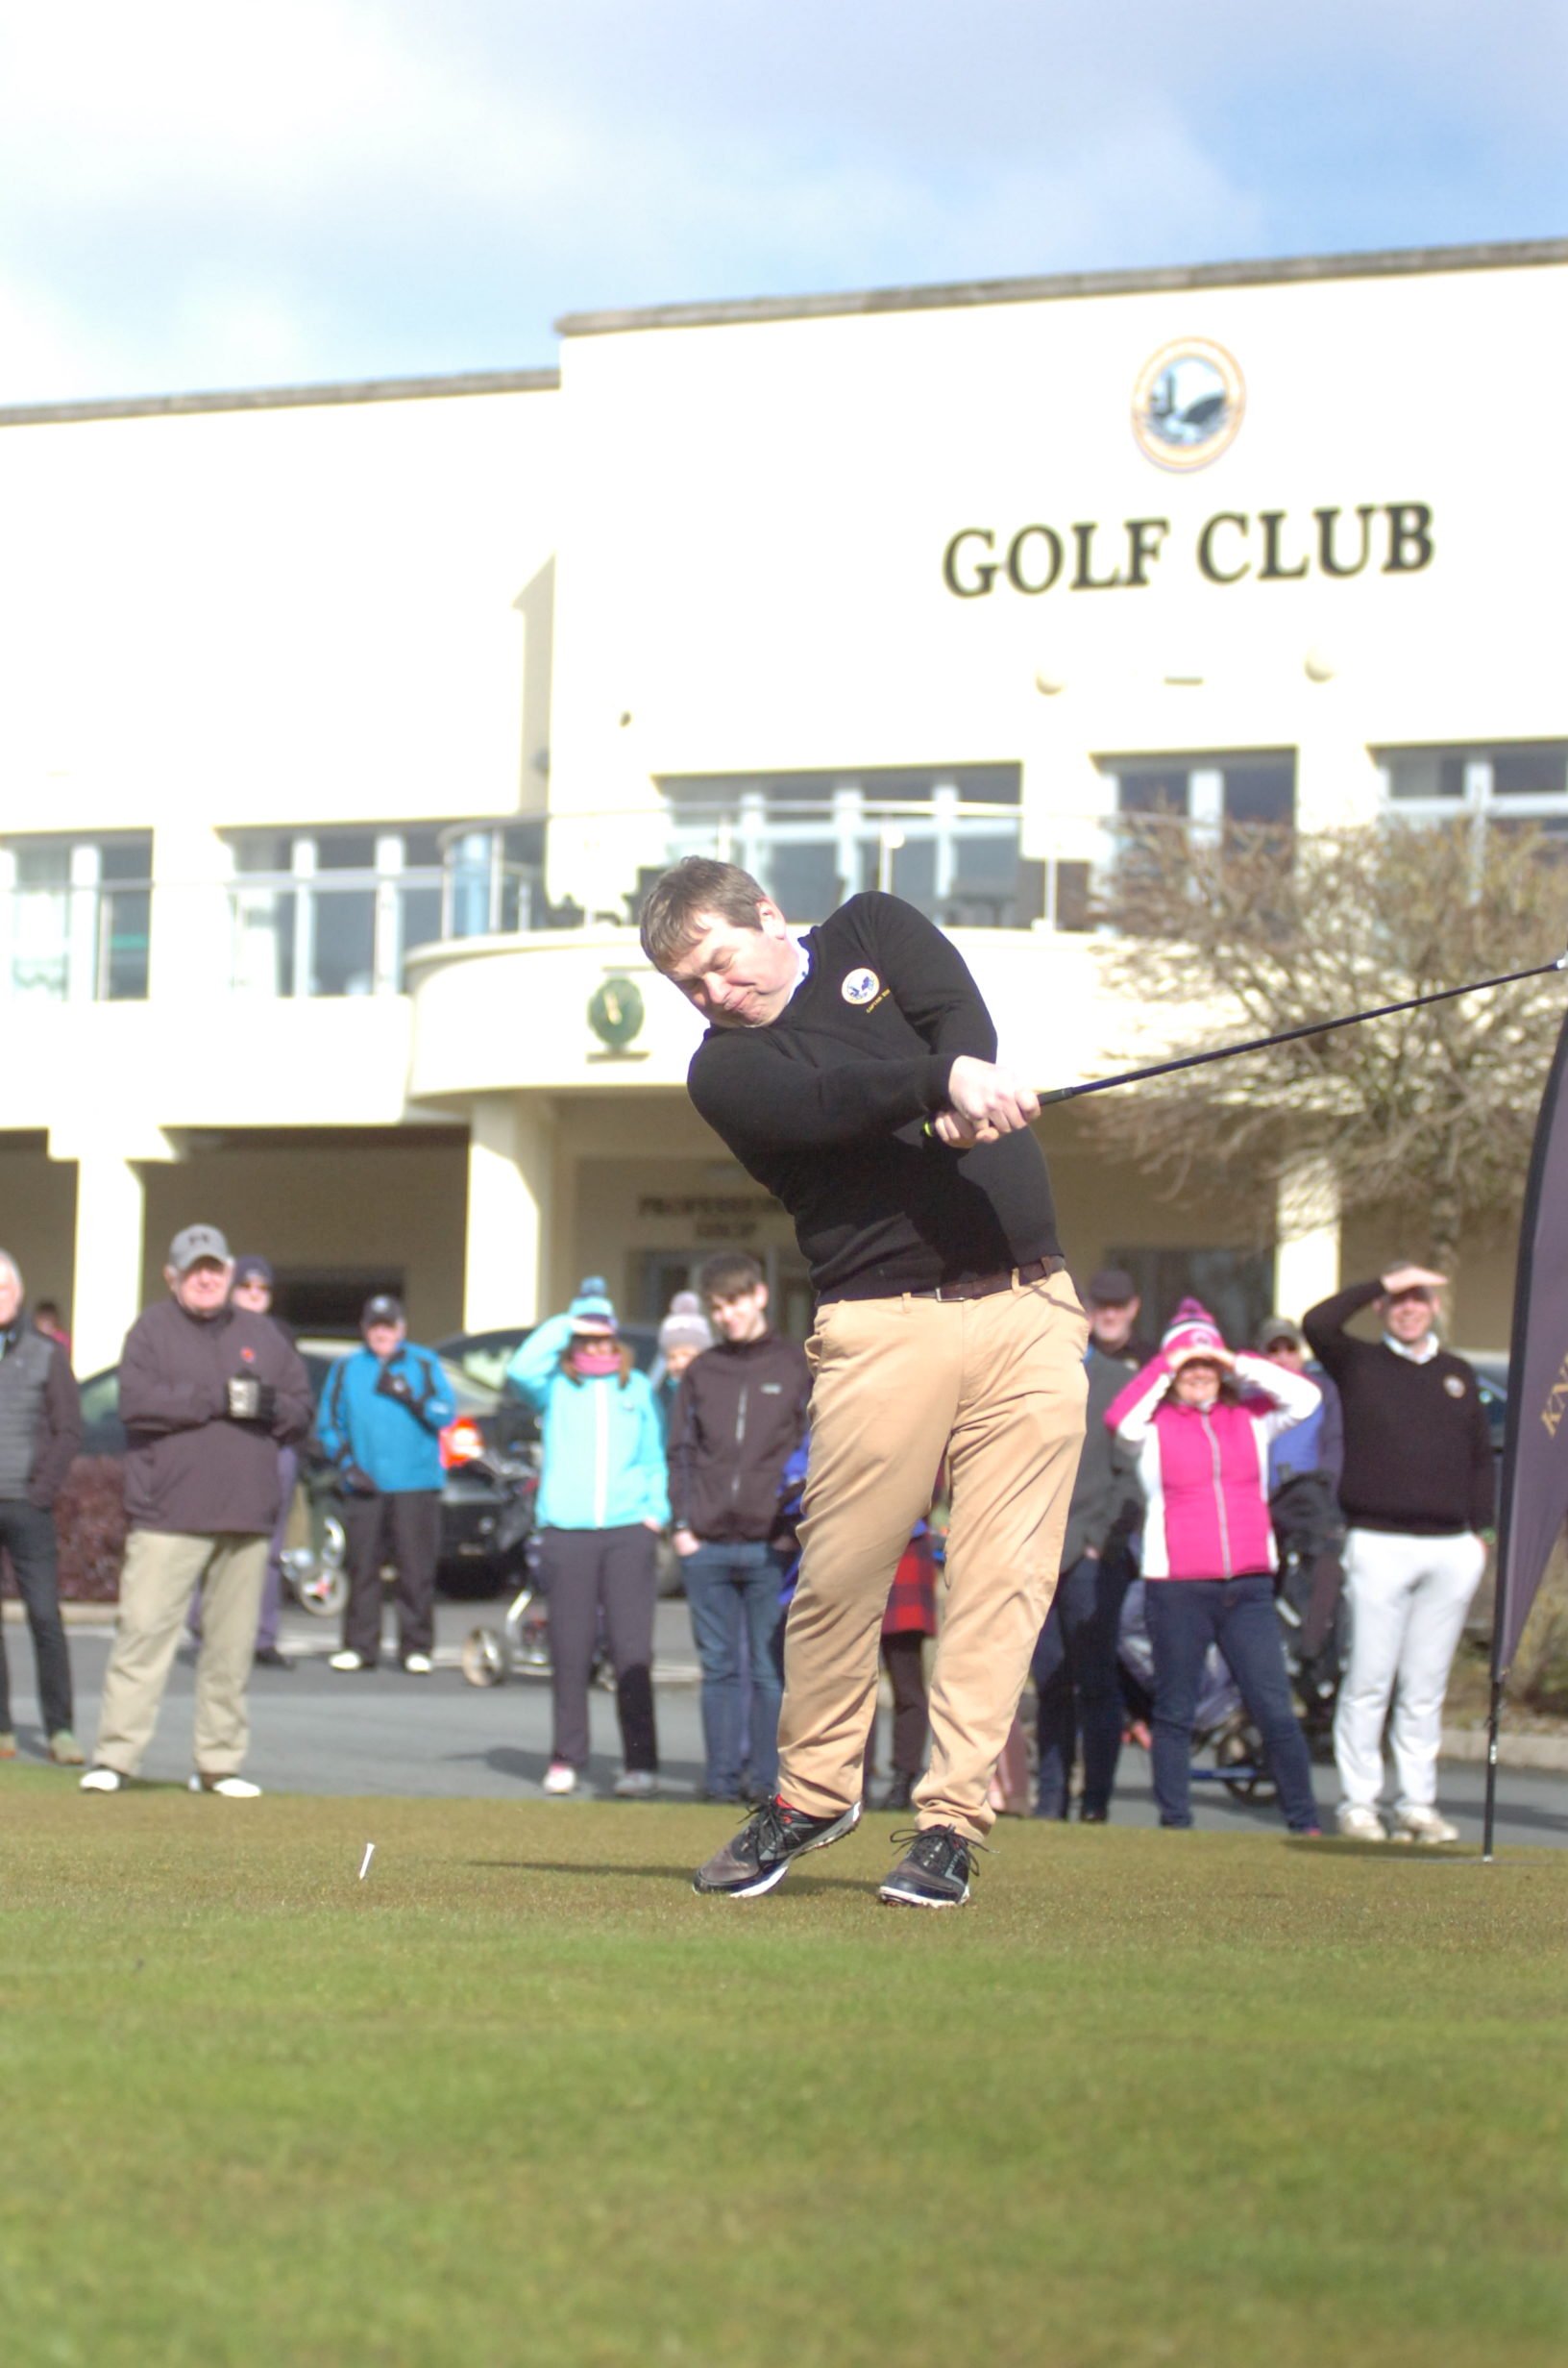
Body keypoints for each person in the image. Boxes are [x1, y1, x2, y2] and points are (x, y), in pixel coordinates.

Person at [640, 858, 1087, 1909]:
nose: (713, 994)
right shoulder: (725, 1072)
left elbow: (957, 1018)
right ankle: (812, 1794)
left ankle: (951, 1823)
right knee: (841, 1573)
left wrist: (965, 1073)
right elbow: (829, 1103)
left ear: (769, 916)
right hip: (883, 1324)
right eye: (689, 986)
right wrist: (941, 1089)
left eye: (719, 963)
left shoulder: (874, 927)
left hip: (1029, 1307)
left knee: (1003, 1578)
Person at [80, 1225, 312, 1797]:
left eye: (214, 1269)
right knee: (143, 1636)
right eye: (194, 1270)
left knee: (230, 1650)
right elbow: (135, 1403)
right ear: (173, 1276)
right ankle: (116, 1757)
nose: (205, 1279)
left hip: (246, 1515)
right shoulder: (151, 1331)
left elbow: (301, 1410)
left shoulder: (263, 1335)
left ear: (228, 1274)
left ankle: (218, 1763)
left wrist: (267, 1404)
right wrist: (215, 1399)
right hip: (168, 1513)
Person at [1105, 1298, 1322, 1836]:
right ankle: (1176, 1822)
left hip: (1247, 1586)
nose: (1198, 1374)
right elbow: (1120, 1420)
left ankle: (1305, 1821)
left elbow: (1306, 1397)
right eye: (1189, 1366)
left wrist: (1235, 1361)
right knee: (1175, 1709)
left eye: (1207, 1365)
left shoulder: (1250, 1418)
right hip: (1178, 1588)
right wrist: (1169, 1363)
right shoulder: (1153, 1428)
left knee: (1273, 1707)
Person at [1303, 1265, 1492, 1844]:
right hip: (1379, 1542)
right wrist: (1383, 1282)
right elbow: (1318, 1323)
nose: (1409, 1309)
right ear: (1384, 1309)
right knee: (1369, 1679)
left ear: (1434, 1308)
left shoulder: (1457, 1373)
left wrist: (1481, 1534)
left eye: (1419, 1299)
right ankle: (1360, 1803)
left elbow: (1480, 1458)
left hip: (1449, 1547)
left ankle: (1417, 1803)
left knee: (1424, 1686)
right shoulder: (1359, 1362)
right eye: (1399, 1301)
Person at [507, 1279, 671, 1798]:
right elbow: (520, 1369)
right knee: (570, 1649)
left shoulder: (636, 1388)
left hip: (627, 1533)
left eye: (604, 1337)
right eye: (586, 1338)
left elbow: (654, 1458)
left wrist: (655, 1514)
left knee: (631, 1651)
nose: (597, 1346)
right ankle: (566, 1757)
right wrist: (567, 1323)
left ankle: (640, 1763)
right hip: (567, 1533)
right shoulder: (556, 1386)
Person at [667, 1250, 810, 1805]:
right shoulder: (702, 1370)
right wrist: (683, 1526)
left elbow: (814, 1449)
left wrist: (790, 1529)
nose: (727, 1315)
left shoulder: (794, 1365)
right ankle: (721, 1781)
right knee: (719, 1671)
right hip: (705, 1545)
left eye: (735, 1302)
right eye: (717, 1307)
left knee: (770, 1671)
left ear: (760, 1296)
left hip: (771, 1546)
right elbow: (680, 1450)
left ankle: (769, 1783)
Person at [1030, 1343, 1141, 1821]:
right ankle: (1050, 1800)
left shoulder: (1119, 1380)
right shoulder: (1030, 1373)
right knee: (1049, 1682)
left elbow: (1131, 1474)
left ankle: (1095, 1801)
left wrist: (1101, 1541)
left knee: (1096, 1683)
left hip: (1092, 1556)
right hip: (1037, 1552)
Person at [318, 1295, 454, 1676]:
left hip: (415, 1483)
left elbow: (446, 1413)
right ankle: (360, 1646)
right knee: (362, 1567)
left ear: (401, 1328)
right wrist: (347, 1465)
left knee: (415, 1568)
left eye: (389, 1326)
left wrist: (413, 1398)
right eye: (375, 1326)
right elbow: (328, 1423)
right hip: (365, 1483)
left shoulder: (424, 1363)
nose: (382, 1334)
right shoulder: (346, 1368)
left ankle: (417, 1647)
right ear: (364, 1329)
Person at [186, 1254, 297, 1669]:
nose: (254, 1294)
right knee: (213, 1539)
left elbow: (296, 1397)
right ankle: (205, 1628)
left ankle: (263, 1636)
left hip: (273, 1448)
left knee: (268, 1549)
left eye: (262, 1288)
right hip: (224, 1449)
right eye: (246, 1286)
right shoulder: (214, 1331)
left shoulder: (281, 1336)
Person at [0, 1250, 83, 1764]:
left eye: (3, 1288)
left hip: (28, 1507)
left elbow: (69, 1429)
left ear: (19, 1293)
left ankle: (61, 1729)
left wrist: (41, 1490)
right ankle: (2, 1730)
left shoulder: (46, 1354)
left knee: (45, 1617)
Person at [1255, 1315, 1346, 1679]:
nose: (1282, 1357)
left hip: (1311, 1502)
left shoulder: (1323, 1392)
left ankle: (1313, 1654)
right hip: (1262, 1506)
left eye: (1289, 1349)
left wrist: (1328, 1492)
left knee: (1325, 1571)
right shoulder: (1252, 1398)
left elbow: (1334, 1447)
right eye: (1273, 1350)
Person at [651, 1290, 713, 1434]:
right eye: (672, 1357)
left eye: (687, 1355)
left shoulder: (716, 1396)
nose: (680, 1363)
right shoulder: (661, 1398)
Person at [1084, 1267, 1157, 1368]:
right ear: (1089, 1307)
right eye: (1102, 1305)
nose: (1110, 1316)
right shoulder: (1075, 1354)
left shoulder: (1150, 1360)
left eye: (1118, 1306)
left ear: (1134, 1307)